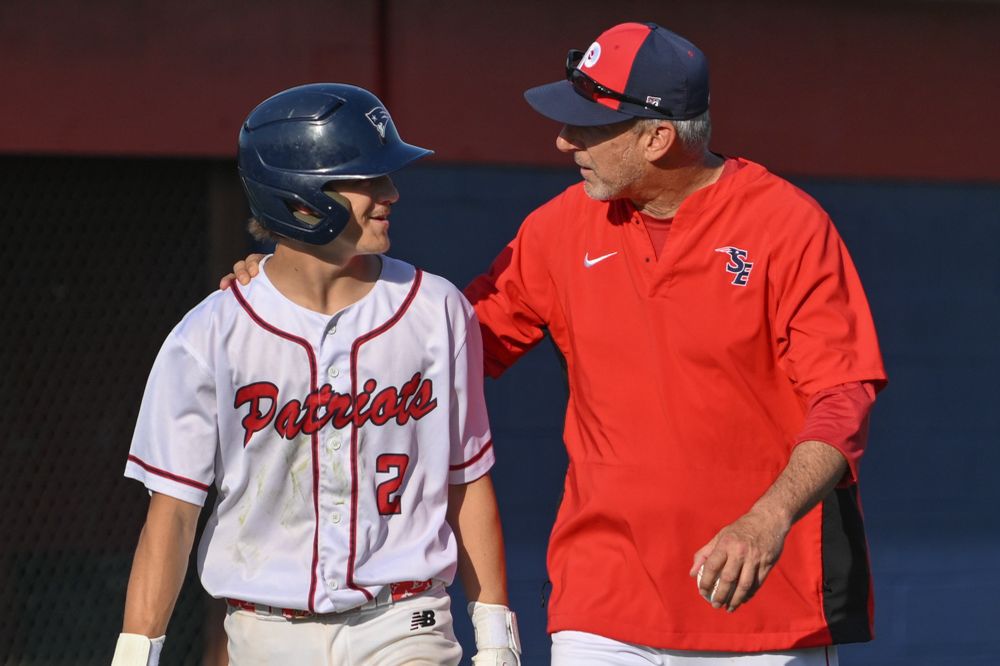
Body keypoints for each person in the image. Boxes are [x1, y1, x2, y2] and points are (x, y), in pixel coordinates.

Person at [229, 22, 887, 665]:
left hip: (759, 604)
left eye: (589, 126)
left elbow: (842, 393)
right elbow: (445, 346)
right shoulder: (558, 228)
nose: (563, 139)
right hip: (601, 603)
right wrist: (298, 276)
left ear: (657, 137)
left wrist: (767, 519)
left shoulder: (787, 225)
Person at [113, 83, 521, 666]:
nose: (391, 193)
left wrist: (495, 635)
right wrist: (134, 653)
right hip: (263, 632)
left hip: (407, 620)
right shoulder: (210, 333)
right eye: (366, 180)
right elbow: (173, 512)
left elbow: (467, 479)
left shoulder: (437, 309)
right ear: (298, 196)